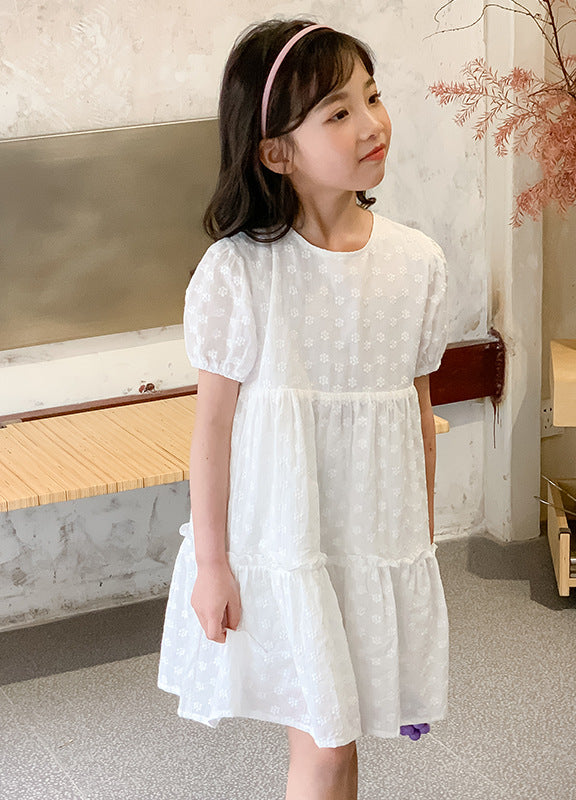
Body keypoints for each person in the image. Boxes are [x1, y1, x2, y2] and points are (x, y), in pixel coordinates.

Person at [156, 17, 450, 800]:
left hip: (373, 542)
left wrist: (415, 548)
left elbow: (418, 414)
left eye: (373, 97)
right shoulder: (240, 273)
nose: (372, 122)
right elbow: (212, 428)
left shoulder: (416, 264)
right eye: (338, 112)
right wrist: (213, 564)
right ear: (275, 151)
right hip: (289, 545)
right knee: (324, 744)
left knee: (343, 744)